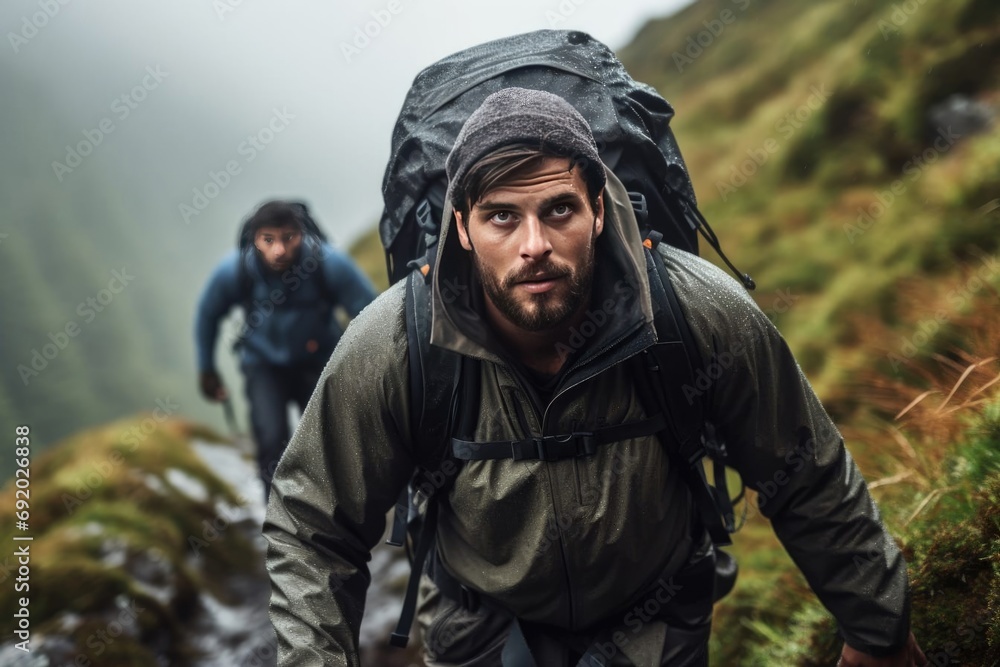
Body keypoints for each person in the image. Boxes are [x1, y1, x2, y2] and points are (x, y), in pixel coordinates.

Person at [263, 90, 926, 666]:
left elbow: (804, 470)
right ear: (460, 228)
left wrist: (877, 625)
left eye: (559, 210)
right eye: (502, 216)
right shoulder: (397, 345)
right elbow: (310, 521)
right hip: (480, 628)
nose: (534, 245)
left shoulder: (697, 313)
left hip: (654, 620)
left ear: (600, 210)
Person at [195, 199, 376, 498]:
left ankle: (330, 518)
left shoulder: (327, 264)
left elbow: (372, 314)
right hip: (262, 365)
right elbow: (207, 314)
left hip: (318, 362)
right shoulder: (235, 270)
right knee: (271, 440)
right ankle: (277, 524)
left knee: (327, 442)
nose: (279, 250)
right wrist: (206, 369)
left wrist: (375, 371)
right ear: (254, 239)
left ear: (301, 235)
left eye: (289, 238)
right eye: (268, 240)